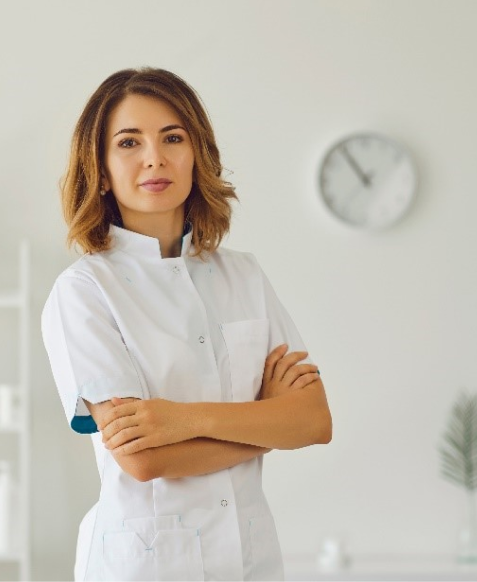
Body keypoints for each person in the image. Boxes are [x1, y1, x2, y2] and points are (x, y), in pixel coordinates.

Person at [42, 67, 333, 582]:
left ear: (197, 155)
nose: (154, 157)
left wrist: (182, 420)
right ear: (102, 169)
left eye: (172, 137)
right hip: (146, 564)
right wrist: (266, 420)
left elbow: (313, 422)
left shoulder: (243, 275)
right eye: (129, 142)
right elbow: (143, 461)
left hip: (250, 560)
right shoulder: (84, 291)